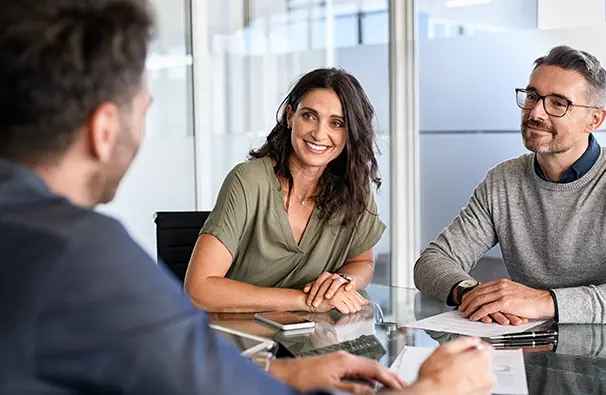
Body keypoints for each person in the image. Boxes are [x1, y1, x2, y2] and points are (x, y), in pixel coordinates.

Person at [0, 1, 498, 394]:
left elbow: (178, 379)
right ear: (104, 129)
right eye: (145, 108)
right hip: (240, 345)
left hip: (282, 354)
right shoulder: (84, 259)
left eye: (337, 123)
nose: (320, 132)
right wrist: (431, 390)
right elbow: (195, 333)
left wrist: (292, 370)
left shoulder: (34, 237)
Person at [414, 45, 606, 325]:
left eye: (558, 103)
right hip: (528, 349)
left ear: (594, 119)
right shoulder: (502, 181)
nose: (535, 113)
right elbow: (432, 262)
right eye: (532, 96)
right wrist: (471, 293)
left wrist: (544, 301)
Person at [184, 68, 385, 315]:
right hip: (235, 339)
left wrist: (342, 281)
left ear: (350, 132)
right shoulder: (248, 181)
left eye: (336, 123)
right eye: (309, 116)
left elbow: (361, 261)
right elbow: (199, 289)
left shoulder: (355, 189)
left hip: (309, 342)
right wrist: (304, 301)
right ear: (290, 116)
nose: (319, 134)